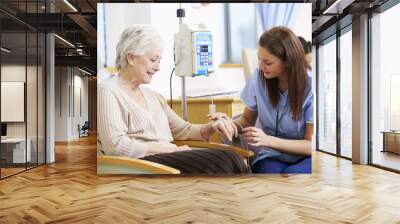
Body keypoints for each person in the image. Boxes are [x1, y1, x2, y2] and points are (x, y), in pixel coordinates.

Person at [97, 25, 248, 174]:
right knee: (225, 159)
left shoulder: (154, 96)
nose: (158, 68)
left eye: (159, 61)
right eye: (153, 60)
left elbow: (185, 130)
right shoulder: (108, 91)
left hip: (166, 157)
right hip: (140, 163)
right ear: (131, 58)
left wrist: (211, 127)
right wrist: (166, 148)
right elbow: (116, 147)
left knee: (232, 156)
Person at [210, 26, 314, 174]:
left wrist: (268, 140)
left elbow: (309, 144)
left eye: (268, 62)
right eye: (259, 59)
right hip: (272, 155)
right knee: (266, 174)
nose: (261, 66)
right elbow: (246, 120)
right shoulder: (258, 79)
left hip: (305, 157)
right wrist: (228, 123)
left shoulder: (310, 88)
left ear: (288, 61)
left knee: (292, 176)